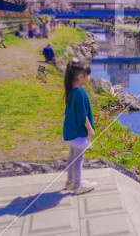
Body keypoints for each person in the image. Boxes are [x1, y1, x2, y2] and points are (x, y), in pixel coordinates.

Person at [62, 60, 96, 195]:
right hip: (79, 132)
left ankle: (70, 182)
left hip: (71, 131)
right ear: (81, 77)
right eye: (88, 75)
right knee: (78, 159)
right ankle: (78, 185)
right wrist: (90, 129)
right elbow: (83, 116)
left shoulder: (70, 91)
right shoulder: (80, 93)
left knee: (71, 157)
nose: (89, 78)